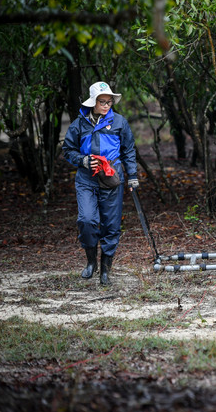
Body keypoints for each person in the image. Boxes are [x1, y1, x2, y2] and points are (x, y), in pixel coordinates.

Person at [62, 82, 138, 284]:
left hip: (112, 176)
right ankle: (91, 262)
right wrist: (83, 160)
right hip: (86, 178)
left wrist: (132, 175)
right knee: (86, 220)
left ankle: (105, 269)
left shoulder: (119, 122)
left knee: (111, 225)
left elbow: (129, 150)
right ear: (93, 102)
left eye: (109, 102)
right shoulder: (79, 124)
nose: (106, 105)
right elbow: (68, 150)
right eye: (102, 102)